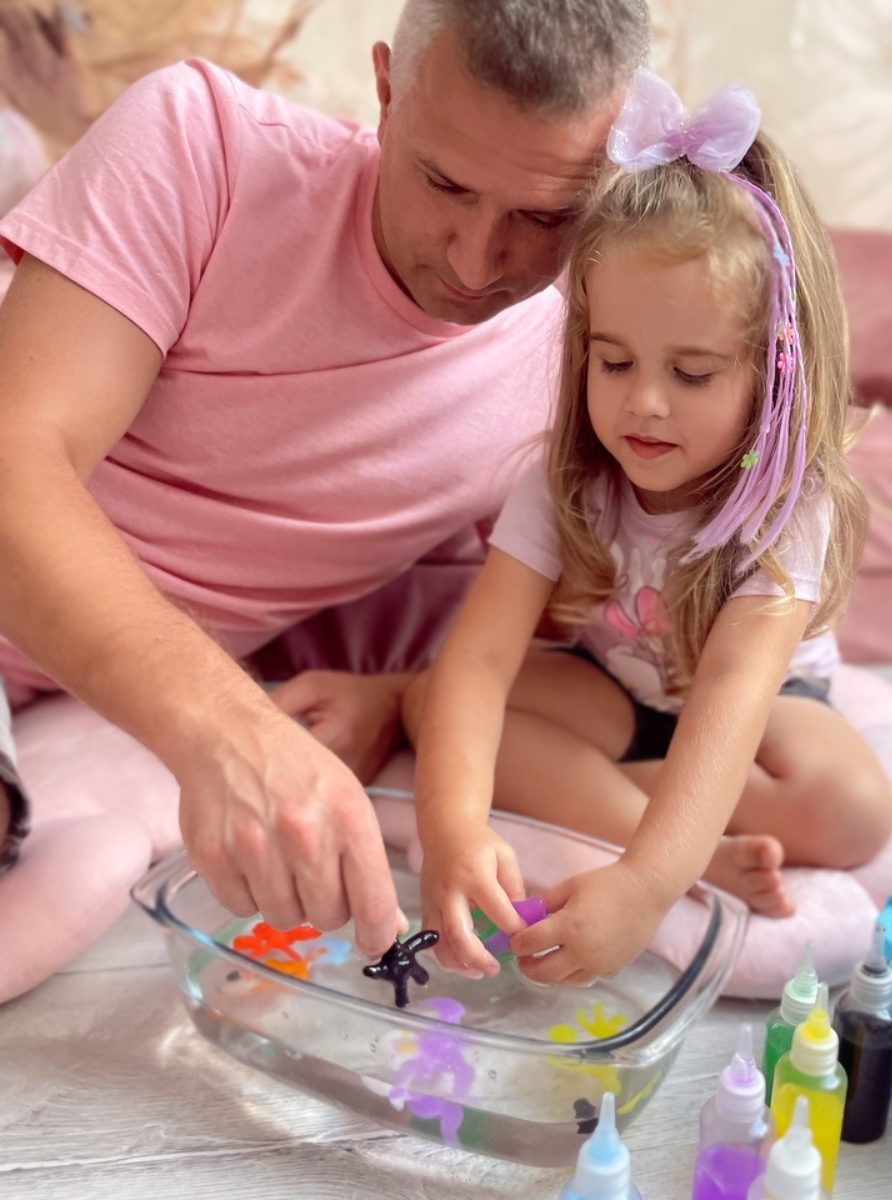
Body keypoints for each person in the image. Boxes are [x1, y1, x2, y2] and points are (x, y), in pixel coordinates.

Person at [0, 0, 650, 999]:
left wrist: (398, 701)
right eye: (443, 183)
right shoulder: (201, 145)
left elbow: (599, 648)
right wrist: (227, 733)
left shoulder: (586, 361)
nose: (474, 262)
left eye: (544, 217)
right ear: (386, 91)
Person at [310, 70, 892, 985]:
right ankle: (689, 839)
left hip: (761, 713)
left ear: (774, 373)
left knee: (855, 809)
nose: (645, 404)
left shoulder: (789, 506)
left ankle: (653, 826)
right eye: (614, 362)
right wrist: (453, 830)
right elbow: (479, 662)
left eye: (692, 374)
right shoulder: (564, 482)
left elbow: (732, 693)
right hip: (612, 687)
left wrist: (646, 885)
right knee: (434, 705)